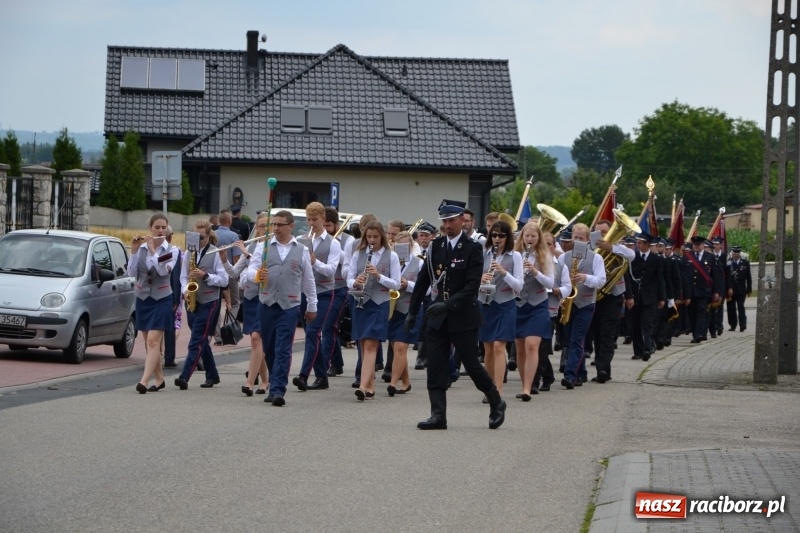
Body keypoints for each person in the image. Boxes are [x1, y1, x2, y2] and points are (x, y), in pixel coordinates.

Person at [407, 199, 507, 430]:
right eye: (444, 221)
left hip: (462, 314)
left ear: (462, 220)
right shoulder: (436, 246)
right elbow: (423, 280)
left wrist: (447, 304)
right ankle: (438, 415)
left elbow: (472, 287)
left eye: (451, 220)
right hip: (437, 315)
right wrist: (412, 311)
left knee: (471, 365)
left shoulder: (473, 248)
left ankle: (496, 400)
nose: (447, 225)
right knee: (436, 364)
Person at [246, 210, 317, 406]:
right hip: (267, 303)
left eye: (280, 225)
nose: (276, 228)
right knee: (269, 348)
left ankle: (278, 389)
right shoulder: (263, 247)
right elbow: (250, 270)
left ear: (291, 226)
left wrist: (312, 305)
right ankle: (273, 383)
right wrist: (256, 275)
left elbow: (308, 280)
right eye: (274, 224)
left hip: (289, 305)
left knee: (283, 348)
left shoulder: (301, 250)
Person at [347, 220, 401, 401]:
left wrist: (378, 276)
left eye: (375, 237)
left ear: (382, 236)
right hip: (361, 302)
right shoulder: (358, 254)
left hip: (379, 303)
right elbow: (349, 279)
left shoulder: (391, 256)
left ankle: (362, 387)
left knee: (371, 344)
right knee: (363, 344)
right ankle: (370, 385)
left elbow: (396, 284)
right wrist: (356, 282)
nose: (372, 240)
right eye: (369, 237)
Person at [293, 202, 342, 392]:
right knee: (312, 335)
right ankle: (322, 376)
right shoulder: (300, 240)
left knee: (313, 333)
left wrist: (315, 262)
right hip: (304, 292)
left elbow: (331, 270)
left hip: (323, 292)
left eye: (315, 219)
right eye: (309, 220)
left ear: (323, 218)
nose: (312, 223)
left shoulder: (333, 243)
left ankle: (303, 375)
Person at [175, 219, 229, 390]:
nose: (198, 241)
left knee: (196, 339)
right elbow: (183, 276)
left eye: (202, 237)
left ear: (208, 235)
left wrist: (205, 276)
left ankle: (184, 376)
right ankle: (212, 375)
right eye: (195, 236)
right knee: (202, 339)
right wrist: (185, 290)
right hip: (192, 301)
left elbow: (224, 280)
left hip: (209, 300)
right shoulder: (188, 253)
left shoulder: (215, 253)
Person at [219, 213, 268, 395]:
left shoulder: (274, 248)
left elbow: (261, 267)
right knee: (257, 341)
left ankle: (249, 382)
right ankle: (265, 381)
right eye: (261, 226)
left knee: (256, 338)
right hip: (251, 298)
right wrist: (224, 259)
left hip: (266, 298)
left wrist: (247, 255)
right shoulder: (252, 246)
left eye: (268, 226)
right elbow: (233, 273)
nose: (265, 229)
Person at [129, 213, 178, 393]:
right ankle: (159, 378)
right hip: (143, 298)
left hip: (162, 298)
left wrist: (152, 251)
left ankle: (144, 381)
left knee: (153, 340)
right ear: (150, 228)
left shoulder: (172, 250)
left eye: (163, 228)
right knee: (149, 342)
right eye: (157, 227)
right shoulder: (141, 248)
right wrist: (134, 252)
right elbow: (131, 273)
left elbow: (164, 271)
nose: (160, 231)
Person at [587, 219, 634, 383]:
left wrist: (611, 248)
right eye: (598, 232)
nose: (602, 235)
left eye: (605, 232)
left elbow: (632, 256)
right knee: (597, 333)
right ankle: (603, 369)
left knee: (607, 333)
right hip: (593, 295)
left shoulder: (618, 248)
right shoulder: (590, 247)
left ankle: (602, 368)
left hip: (613, 296)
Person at [558, 223, 605, 389]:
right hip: (568, 303)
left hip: (586, 303)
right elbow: (558, 280)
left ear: (587, 240)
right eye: (575, 237)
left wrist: (586, 278)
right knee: (570, 339)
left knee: (577, 339)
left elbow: (601, 280)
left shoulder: (596, 258)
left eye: (581, 238)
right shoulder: (563, 257)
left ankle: (570, 375)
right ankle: (582, 373)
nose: (577, 240)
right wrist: (561, 296)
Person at [513, 221, 553, 400]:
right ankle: (524, 384)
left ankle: (528, 388)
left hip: (537, 305)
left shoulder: (545, 256)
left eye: (533, 236)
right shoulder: (515, 255)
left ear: (539, 238)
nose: (529, 239)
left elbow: (550, 283)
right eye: (527, 236)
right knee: (520, 348)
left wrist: (535, 271)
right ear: (522, 237)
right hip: (518, 305)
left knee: (532, 345)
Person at [386, 231, 423, 395]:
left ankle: (393, 384)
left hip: (411, 309)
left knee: (401, 346)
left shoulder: (419, 263)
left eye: (405, 246)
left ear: (411, 245)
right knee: (396, 348)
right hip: (393, 309)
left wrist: (408, 284)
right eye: (398, 246)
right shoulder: (390, 262)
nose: (401, 249)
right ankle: (406, 382)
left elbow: (427, 290)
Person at [534, 232, 570, 392]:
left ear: (554, 246)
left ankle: (535, 380)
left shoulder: (560, 265)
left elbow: (567, 288)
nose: (545, 247)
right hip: (531, 308)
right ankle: (548, 375)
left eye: (549, 244)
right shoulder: (531, 261)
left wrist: (556, 290)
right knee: (534, 346)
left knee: (543, 345)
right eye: (543, 243)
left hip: (550, 309)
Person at [625, 233, 666, 362]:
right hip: (635, 297)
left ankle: (647, 348)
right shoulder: (633, 257)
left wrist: (662, 298)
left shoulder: (656, 259)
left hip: (650, 297)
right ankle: (638, 351)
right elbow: (628, 278)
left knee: (648, 324)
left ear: (648, 244)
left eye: (640, 243)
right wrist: (628, 295)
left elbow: (660, 279)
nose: (638, 245)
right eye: (637, 243)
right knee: (635, 324)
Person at [325, 206, 353, 378]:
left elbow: (349, 263)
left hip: (340, 287)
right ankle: (336, 363)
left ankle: (326, 364)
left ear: (336, 224)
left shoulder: (349, 241)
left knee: (328, 325)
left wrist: (333, 246)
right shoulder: (316, 238)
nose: (325, 229)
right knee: (326, 327)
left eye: (328, 225)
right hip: (321, 288)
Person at [686, 236, 723, 343]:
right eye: (694, 245)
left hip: (704, 291)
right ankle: (695, 333)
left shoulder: (710, 257)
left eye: (698, 245)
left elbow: (715, 276)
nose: (696, 246)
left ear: (703, 245)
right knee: (692, 313)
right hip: (691, 291)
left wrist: (716, 291)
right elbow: (683, 276)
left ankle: (699, 334)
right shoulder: (687, 257)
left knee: (701, 311)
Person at [413, 222, 436, 370]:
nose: (423, 238)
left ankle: (424, 356)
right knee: (419, 322)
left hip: (431, 291)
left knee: (428, 324)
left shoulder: (435, 250)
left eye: (426, 235)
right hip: (416, 290)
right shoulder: (414, 251)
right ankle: (421, 356)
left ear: (432, 236)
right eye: (421, 235)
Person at [163, 225, 183, 369]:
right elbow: (176, 276)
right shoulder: (174, 251)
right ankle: (169, 357)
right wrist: (176, 299)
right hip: (168, 293)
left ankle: (154, 354)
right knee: (169, 327)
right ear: (170, 236)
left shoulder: (149, 249)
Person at [726, 246, 752, 332]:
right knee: (731, 309)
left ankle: (742, 324)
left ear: (739, 254)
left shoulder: (745, 263)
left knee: (741, 307)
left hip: (741, 290)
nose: (736, 256)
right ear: (732, 254)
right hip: (730, 290)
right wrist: (728, 288)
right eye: (734, 254)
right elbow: (727, 277)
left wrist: (749, 290)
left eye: (737, 254)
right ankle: (732, 325)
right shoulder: (728, 263)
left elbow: (748, 277)